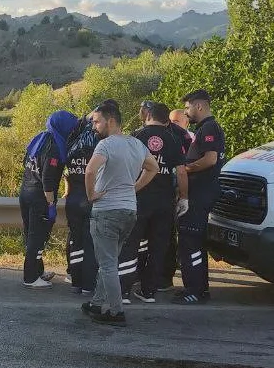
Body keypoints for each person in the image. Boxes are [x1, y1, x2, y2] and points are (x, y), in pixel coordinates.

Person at [82, 100, 158, 324]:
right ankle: (97, 302)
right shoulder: (136, 144)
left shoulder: (105, 145)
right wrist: (133, 188)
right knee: (111, 258)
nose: (94, 126)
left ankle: (116, 312)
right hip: (129, 211)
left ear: (110, 120)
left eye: (97, 122)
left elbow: (90, 171)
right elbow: (154, 168)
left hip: (106, 211)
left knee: (107, 264)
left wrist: (91, 195)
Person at [122, 101, 188, 303]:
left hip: (139, 199)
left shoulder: (136, 136)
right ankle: (149, 291)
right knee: (158, 247)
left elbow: (125, 166)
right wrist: (184, 197)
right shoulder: (174, 139)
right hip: (164, 202)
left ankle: (124, 290)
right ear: (167, 120)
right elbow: (181, 171)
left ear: (148, 115)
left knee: (129, 244)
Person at [174, 89, 226, 305]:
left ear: (199, 106)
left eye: (188, 107)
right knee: (192, 242)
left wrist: (187, 169)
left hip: (200, 194)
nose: (186, 112)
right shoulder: (205, 128)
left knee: (190, 242)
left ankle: (194, 290)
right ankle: (197, 288)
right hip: (200, 193)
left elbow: (210, 159)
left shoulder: (209, 128)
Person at [19, 110, 78, 289]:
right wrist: (51, 203)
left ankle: (38, 271)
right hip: (40, 197)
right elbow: (48, 179)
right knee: (38, 237)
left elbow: (25, 163)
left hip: (26, 192)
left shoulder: (41, 138)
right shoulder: (54, 146)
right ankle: (30, 278)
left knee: (31, 235)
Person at [64, 109, 103, 295]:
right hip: (91, 198)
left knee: (75, 241)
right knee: (91, 244)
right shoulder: (99, 147)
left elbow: (66, 173)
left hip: (72, 199)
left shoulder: (71, 144)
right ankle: (89, 285)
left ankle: (76, 282)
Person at [161, 108, 194, 291]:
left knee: (173, 234)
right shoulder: (168, 137)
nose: (173, 125)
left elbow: (185, 167)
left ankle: (169, 273)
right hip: (168, 188)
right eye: (171, 121)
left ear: (185, 122)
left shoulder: (189, 138)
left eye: (177, 121)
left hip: (180, 189)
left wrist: (184, 196)